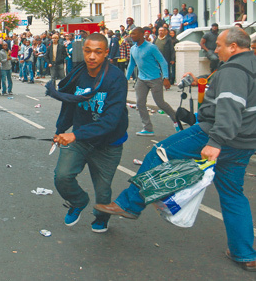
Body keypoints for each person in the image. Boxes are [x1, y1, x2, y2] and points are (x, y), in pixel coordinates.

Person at [95, 27, 256, 272]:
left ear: (234, 47)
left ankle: (130, 204)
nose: (215, 50)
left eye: (220, 46)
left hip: (217, 135)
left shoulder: (233, 70)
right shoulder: (251, 65)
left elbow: (230, 109)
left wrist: (215, 142)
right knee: (233, 194)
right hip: (244, 142)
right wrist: (195, 116)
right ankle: (244, 253)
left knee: (160, 152)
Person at [46, 33, 128, 233]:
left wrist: (75, 135)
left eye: (98, 52)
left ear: (106, 53)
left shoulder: (116, 78)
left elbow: (111, 120)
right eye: (88, 51)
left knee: (103, 191)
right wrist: (60, 131)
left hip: (108, 143)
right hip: (81, 138)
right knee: (62, 176)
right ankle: (78, 201)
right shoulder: (78, 72)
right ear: (83, 51)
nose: (92, 56)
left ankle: (101, 217)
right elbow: (69, 104)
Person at [126, 27, 178, 136]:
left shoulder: (151, 47)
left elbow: (163, 62)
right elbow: (131, 64)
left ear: (141, 35)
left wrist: (166, 78)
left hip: (155, 79)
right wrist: (125, 79)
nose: (131, 36)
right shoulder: (133, 49)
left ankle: (176, 120)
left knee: (160, 103)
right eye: (131, 34)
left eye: (134, 34)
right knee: (140, 103)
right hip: (141, 79)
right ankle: (148, 128)